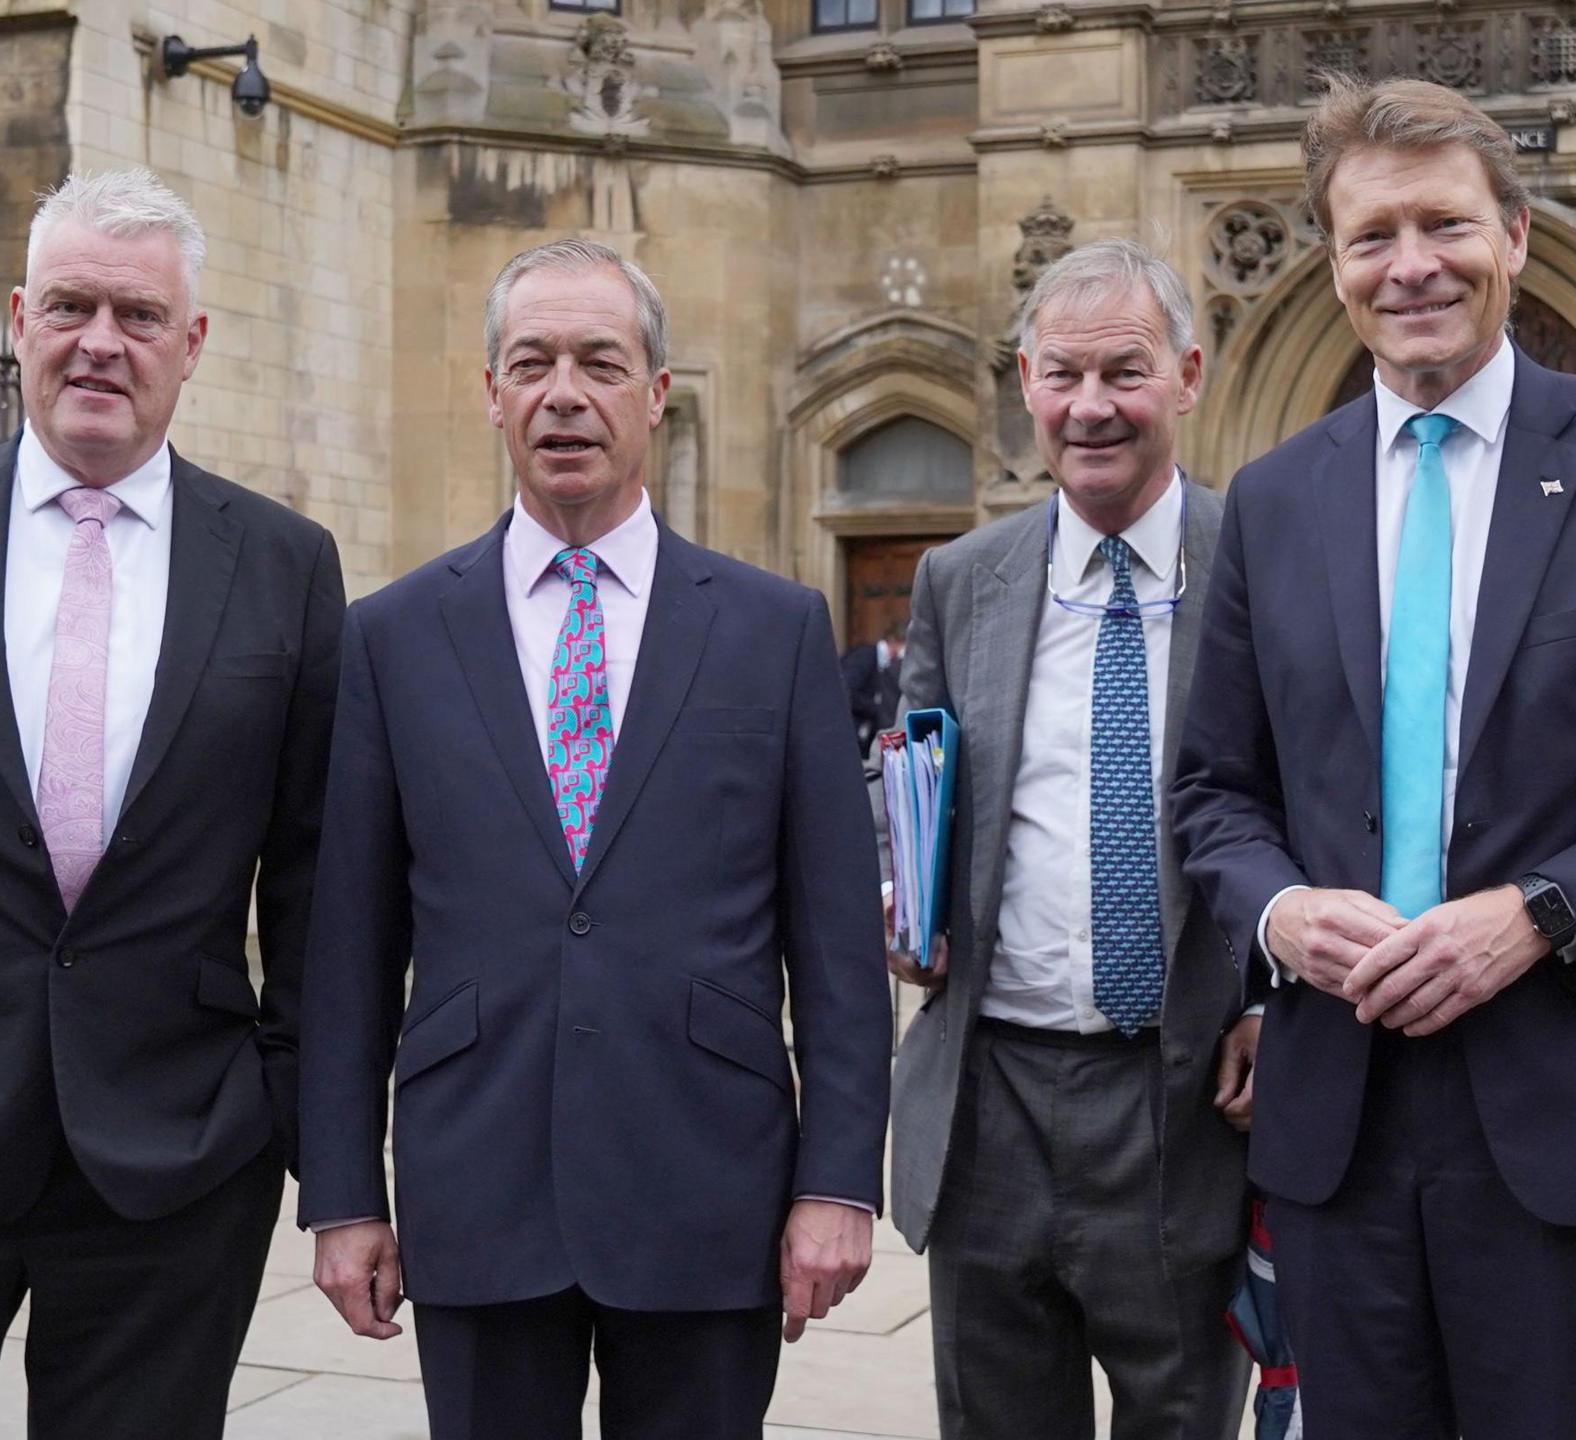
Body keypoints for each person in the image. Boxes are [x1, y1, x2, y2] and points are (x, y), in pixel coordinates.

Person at [1169, 76, 1576, 1438]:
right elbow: (1215, 791)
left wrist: (1539, 916)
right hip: (1338, 1106)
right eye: (1372, 235)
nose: (1413, 265)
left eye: (1445, 224)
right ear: (1333, 266)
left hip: (1566, 1095)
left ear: (1514, 236)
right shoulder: (1277, 500)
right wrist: (1283, 911)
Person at [296, 238, 890, 1439]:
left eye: (600, 362)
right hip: (477, 1185)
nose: (564, 391)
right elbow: (349, 946)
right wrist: (346, 1197)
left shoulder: (773, 632)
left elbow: (834, 946)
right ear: (492, 394)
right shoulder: (395, 637)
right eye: (532, 362)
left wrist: (836, 1184)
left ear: (655, 394)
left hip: (709, 1189)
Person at [0, 169, 344, 1438]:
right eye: (69, 306)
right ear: (16, 318)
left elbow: (319, 877)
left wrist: (284, 1113)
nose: (99, 343)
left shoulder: (283, 565)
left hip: (172, 1167)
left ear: (194, 343)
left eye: (138, 315)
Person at [888, 238, 1257, 1438]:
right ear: (1024, 381)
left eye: (1125, 372)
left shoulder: (1263, 561)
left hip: (1184, 1098)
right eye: (1061, 375)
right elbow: (911, 775)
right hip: (988, 1096)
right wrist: (902, 896)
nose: (1089, 407)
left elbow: (1321, 808)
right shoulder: (962, 577)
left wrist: (1276, 998)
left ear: (1189, 375)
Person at [842, 617, 906, 756]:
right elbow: (847, 692)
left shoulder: (888, 666)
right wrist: (877, 707)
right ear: (894, 641)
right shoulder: (864, 657)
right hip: (850, 730)